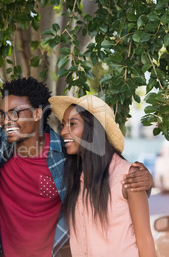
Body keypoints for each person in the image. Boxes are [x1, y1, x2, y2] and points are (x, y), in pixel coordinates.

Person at [0, 77, 153, 256]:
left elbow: (108, 169)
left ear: (37, 114)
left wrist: (146, 179)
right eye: (2, 114)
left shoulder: (67, 153)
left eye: (14, 113)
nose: (6, 121)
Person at [49, 95, 156, 256]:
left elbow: (145, 242)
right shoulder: (74, 178)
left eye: (72, 124)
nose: (63, 131)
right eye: (64, 125)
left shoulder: (129, 177)